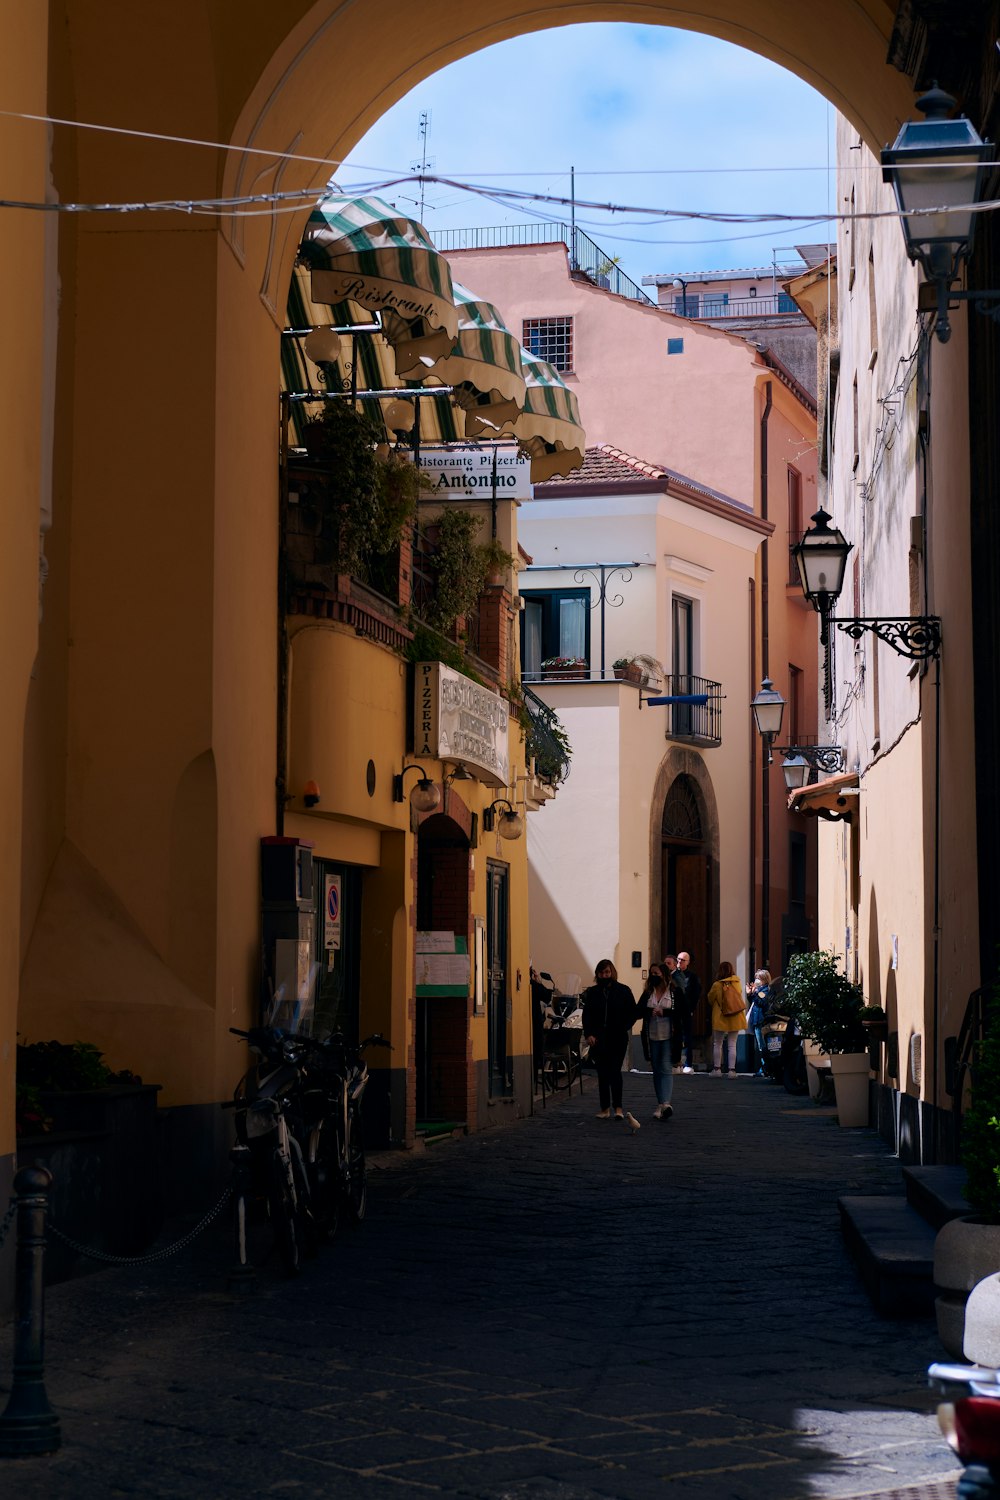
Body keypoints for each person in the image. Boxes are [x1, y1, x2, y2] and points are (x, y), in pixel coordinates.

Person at [582, 959, 640, 1121]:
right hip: (599, 1039)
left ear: (612, 972)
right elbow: (587, 1016)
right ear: (597, 974)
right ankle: (605, 1108)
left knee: (615, 1072)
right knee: (602, 1074)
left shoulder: (623, 991)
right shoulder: (592, 993)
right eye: (601, 973)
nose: (604, 975)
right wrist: (589, 1034)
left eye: (607, 972)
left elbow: (632, 1013)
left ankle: (618, 1108)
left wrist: (623, 1027)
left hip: (618, 1038)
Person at [639, 963, 675, 1120]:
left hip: (669, 1035)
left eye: (657, 973)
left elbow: (682, 1011)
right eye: (652, 973)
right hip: (652, 1036)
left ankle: (666, 1103)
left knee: (666, 1067)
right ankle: (660, 1103)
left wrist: (665, 1012)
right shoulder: (648, 993)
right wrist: (649, 1011)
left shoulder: (674, 992)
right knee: (656, 1069)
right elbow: (638, 1010)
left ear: (665, 975)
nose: (654, 976)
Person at [708, 960, 745, 1076]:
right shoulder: (737, 983)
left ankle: (717, 1069)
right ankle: (731, 1071)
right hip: (735, 1016)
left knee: (717, 1043)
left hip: (720, 1017)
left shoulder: (717, 985)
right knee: (732, 1044)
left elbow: (710, 998)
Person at [672, 951, 701, 1073]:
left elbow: (696, 994)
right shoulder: (672, 975)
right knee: (675, 1037)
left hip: (686, 1011)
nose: (679, 962)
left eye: (683, 960)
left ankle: (688, 1063)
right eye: (678, 959)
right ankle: (676, 1063)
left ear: (688, 962)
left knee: (687, 1037)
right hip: (674, 1011)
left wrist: (691, 1009)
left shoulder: (692, 977)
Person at [745, 968, 772, 1076]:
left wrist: (755, 992)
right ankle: (764, 1067)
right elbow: (754, 1002)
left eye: (758, 978)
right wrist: (750, 994)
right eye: (756, 978)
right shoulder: (760, 990)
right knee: (761, 1046)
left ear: (764, 979)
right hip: (756, 1020)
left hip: (761, 1021)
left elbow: (762, 1001)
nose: (756, 980)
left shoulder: (765, 990)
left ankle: (765, 1068)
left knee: (763, 1046)